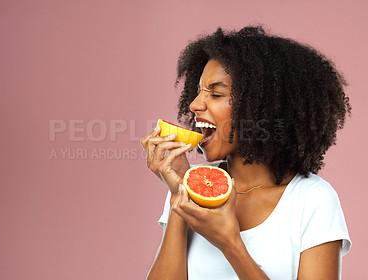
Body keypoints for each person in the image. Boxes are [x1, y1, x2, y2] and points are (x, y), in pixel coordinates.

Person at [140, 25, 352, 279]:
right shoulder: (193, 185)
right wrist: (179, 196)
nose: (194, 105)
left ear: (262, 108)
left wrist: (230, 243)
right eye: (198, 91)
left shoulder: (312, 200)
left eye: (216, 93)